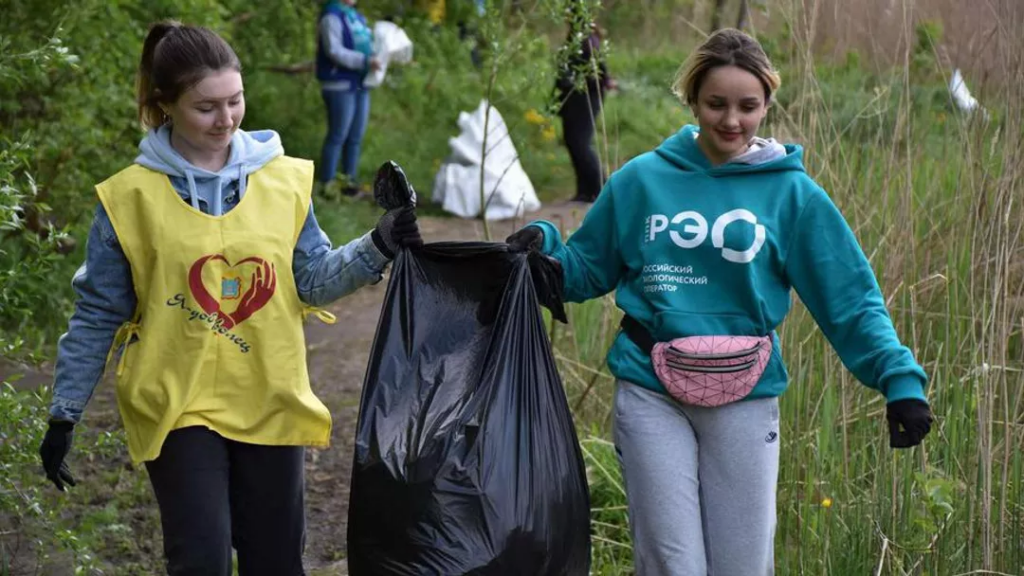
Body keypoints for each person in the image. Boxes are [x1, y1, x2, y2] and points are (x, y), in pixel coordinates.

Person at [507, 28, 932, 575]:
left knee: (742, 567)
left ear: (768, 104)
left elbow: (850, 300)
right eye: (716, 104)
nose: (731, 120)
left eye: (747, 106)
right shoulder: (641, 180)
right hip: (649, 388)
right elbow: (586, 270)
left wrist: (899, 380)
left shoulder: (793, 195)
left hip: (745, 395)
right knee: (670, 566)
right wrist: (545, 246)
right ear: (692, 100)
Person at [37, 20, 421, 575]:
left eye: (235, 101)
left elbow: (310, 279)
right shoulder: (129, 198)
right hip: (177, 403)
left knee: (277, 561)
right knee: (202, 561)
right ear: (164, 104)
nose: (226, 120)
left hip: (269, 392)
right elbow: (99, 310)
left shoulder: (283, 180)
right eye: (206, 107)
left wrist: (379, 243)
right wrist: (64, 413)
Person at [316, 0, 379, 196]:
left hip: (361, 83)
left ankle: (349, 184)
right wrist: (364, 61)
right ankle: (328, 183)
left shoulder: (357, 17)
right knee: (338, 136)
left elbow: (370, 44)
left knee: (355, 137)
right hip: (339, 84)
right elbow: (333, 51)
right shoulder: (331, 16)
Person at [554, 3, 615, 203]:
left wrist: (576, 84)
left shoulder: (588, 41)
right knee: (573, 142)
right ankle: (584, 191)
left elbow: (600, 73)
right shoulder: (576, 39)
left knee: (581, 144)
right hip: (572, 100)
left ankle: (602, 189)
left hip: (585, 100)